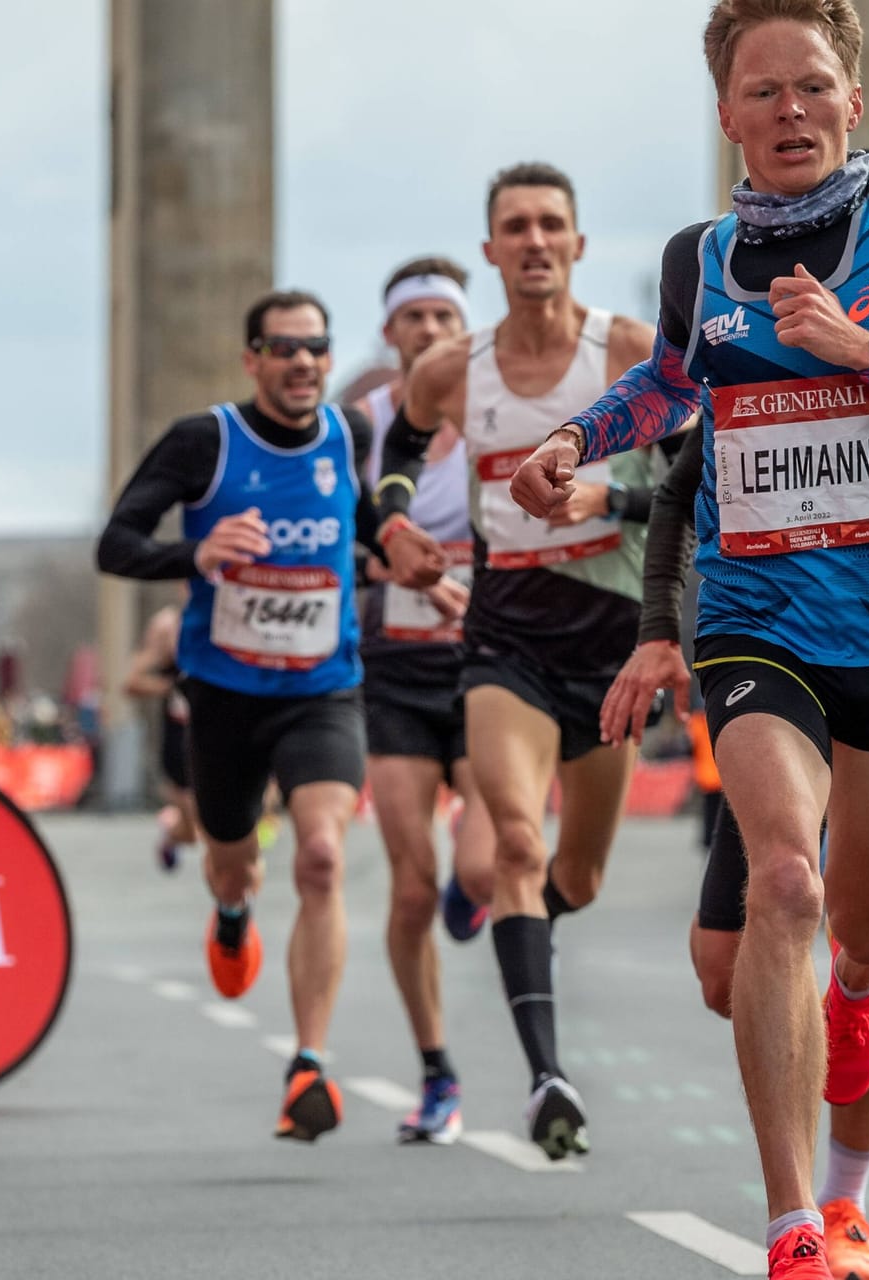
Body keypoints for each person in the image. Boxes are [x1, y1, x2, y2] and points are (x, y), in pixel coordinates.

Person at [509, 5, 869, 1271]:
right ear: (727, 115)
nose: (790, 111)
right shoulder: (699, 258)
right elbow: (670, 390)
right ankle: (794, 1219)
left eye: (813, 87)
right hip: (757, 625)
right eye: (764, 92)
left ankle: (859, 998)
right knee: (783, 881)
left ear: (854, 103)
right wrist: (572, 441)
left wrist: (868, 352)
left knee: (866, 933)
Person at [372, 162, 680, 1159]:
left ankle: (525, 923)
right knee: (513, 842)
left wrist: (611, 500)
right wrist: (394, 526)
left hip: (611, 641)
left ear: (579, 246)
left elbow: (702, 483)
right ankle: (547, 1072)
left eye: (553, 224)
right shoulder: (455, 369)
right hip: (505, 636)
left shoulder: (630, 352)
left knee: (575, 874)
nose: (536, 240)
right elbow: (402, 452)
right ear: (491, 250)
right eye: (517, 226)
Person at [97, 288, 376, 1144]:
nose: (302, 363)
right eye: (282, 349)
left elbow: (362, 524)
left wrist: (404, 559)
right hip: (223, 695)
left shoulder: (348, 435)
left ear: (328, 359)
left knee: (322, 857)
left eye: (315, 348)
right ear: (252, 359)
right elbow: (115, 544)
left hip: (323, 688)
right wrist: (197, 551)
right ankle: (229, 912)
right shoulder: (203, 441)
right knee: (232, 861)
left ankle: (309, 1064)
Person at [353, 255, 497, 1144]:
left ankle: (473, 890)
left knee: (480, 867)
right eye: (416, 320)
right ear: (393, 334)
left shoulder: (495, 419)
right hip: (397, 671)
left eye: (447, 317)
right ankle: (437, 1071)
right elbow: (332, 540)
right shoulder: (362, 426)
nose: (433, 332)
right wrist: (391, 561)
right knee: (410, 893)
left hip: (488, 666)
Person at [124, 602, 202, 872]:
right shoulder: (169, 635)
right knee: (193, 833)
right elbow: (131, 681)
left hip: (211, 749)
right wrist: (157, 658)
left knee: (211, 830)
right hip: (177, 751)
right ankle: (171, 833)